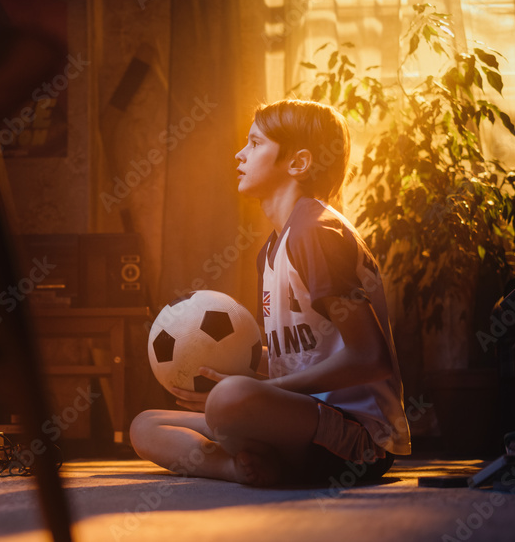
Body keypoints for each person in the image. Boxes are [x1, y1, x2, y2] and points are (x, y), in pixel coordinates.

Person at [130, 99, 411, 486]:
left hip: (355, 440)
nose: (239, 154)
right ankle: (239, 467)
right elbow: (300, 354)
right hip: (295, 416)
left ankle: (257, 454)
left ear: (298, 163)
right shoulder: (273, 247)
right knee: (145, 425)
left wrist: (256, 388)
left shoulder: (316, 232)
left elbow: (370, 357)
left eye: (255, 143)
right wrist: (223, 363)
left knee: (230, 400)